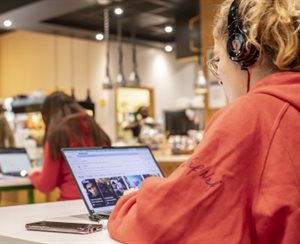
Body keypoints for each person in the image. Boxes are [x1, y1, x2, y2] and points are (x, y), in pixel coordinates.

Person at [108, 0, 300, 243]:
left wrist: (130, 200)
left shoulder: (253, 114)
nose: (219, 78)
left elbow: (165, 224)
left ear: (242, 51)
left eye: (218, 59)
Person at [28, 91, 111, 201]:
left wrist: (33, 174)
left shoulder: (57, 134)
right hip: (104, 200)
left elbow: (46, 185)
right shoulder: (94, 127)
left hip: (70, 202)